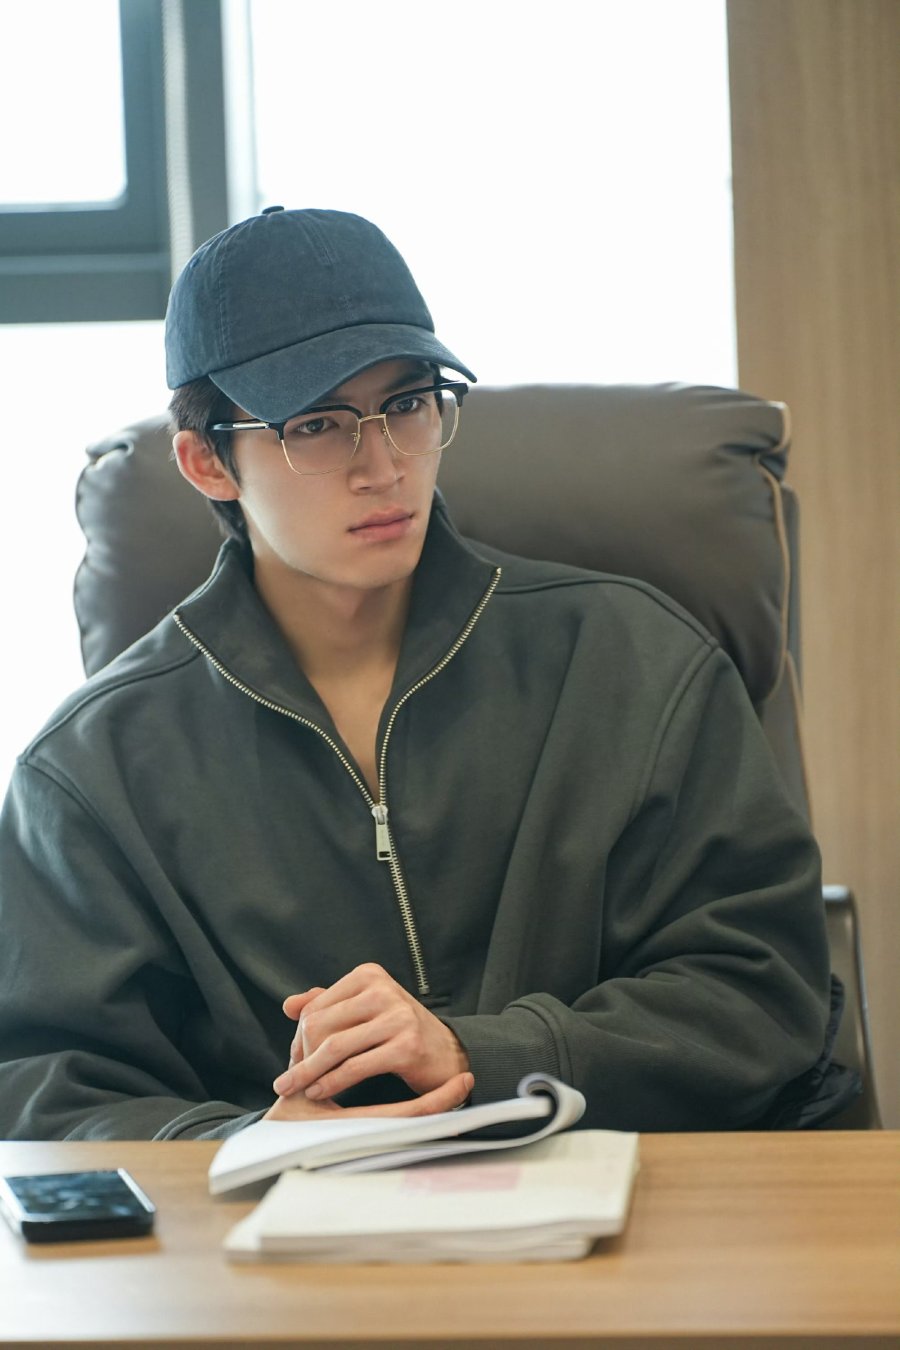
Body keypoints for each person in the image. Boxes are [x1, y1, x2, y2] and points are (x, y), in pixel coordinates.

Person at [0, 208, 855, 1141]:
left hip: (634, 1206)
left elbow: (763, 991)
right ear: (207, 461)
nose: (383, 466)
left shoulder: (636, 662)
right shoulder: (89, 772)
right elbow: (49, 1094)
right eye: (318, 424)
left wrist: (481, 1054)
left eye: (408, 405)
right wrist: (247, 1145)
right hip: (277, 1229)